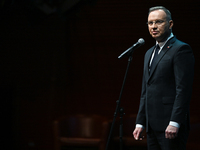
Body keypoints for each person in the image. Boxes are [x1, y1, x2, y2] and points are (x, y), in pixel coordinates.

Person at [132, 6, 195, 150]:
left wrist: (175, 122)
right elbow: (145, 91)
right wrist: (140, 122)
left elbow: (183, 90)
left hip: (170, 126)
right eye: (150, 23)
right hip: (151, 127)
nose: (153, 26)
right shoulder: (148, 53)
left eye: (158, 22)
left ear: (170, 24)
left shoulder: (180, 49)